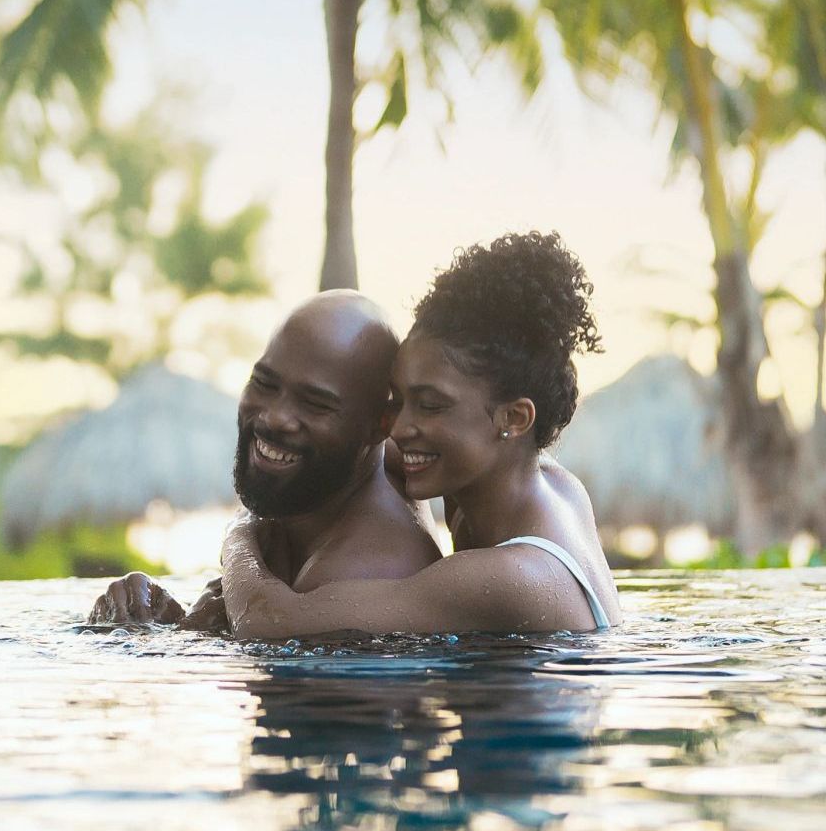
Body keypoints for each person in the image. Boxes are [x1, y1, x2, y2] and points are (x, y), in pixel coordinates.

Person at [215, 232, 617, 636]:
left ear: (513, 418)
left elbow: (265, 621)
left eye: (430, 405)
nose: (399, 427)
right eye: (399, 400)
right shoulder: (539, 484)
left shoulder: (513, 577)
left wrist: (241, 532)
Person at [88, 291, 439, 626]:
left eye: (315, 403)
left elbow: (264, 634)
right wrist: (162, 618)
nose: (273, 417)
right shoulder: (344, 484)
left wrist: (239, 532)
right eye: (264, 383)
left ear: (382, 424)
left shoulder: (358, 573)